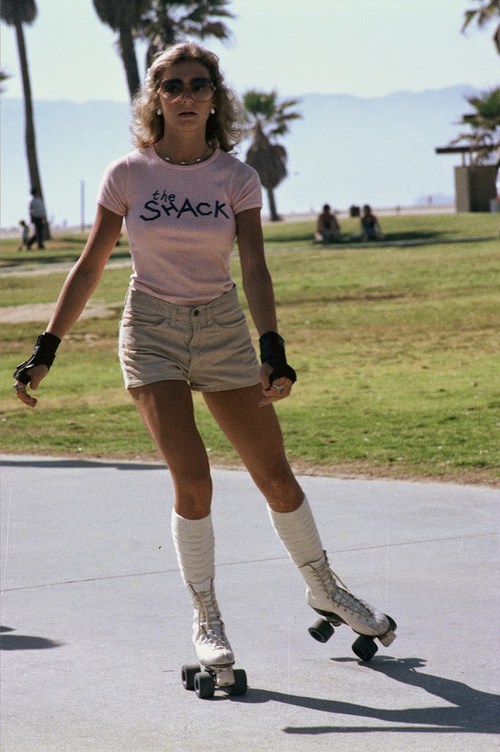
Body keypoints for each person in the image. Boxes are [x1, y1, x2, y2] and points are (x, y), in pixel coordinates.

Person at [13, 42, 395, 685]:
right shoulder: (128, 175)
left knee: (276, 479)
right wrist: (46, 349)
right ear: (155, 98)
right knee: (194, 482)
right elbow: (91, 265)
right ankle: (208, 619)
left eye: (198, 85)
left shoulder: (237, 179)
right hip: (152, 330)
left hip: (222, 329)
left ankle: (326, 587)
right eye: (173, 85)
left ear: (214, 98)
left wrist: (272, 349)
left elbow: (254, 268)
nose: (186, 96)